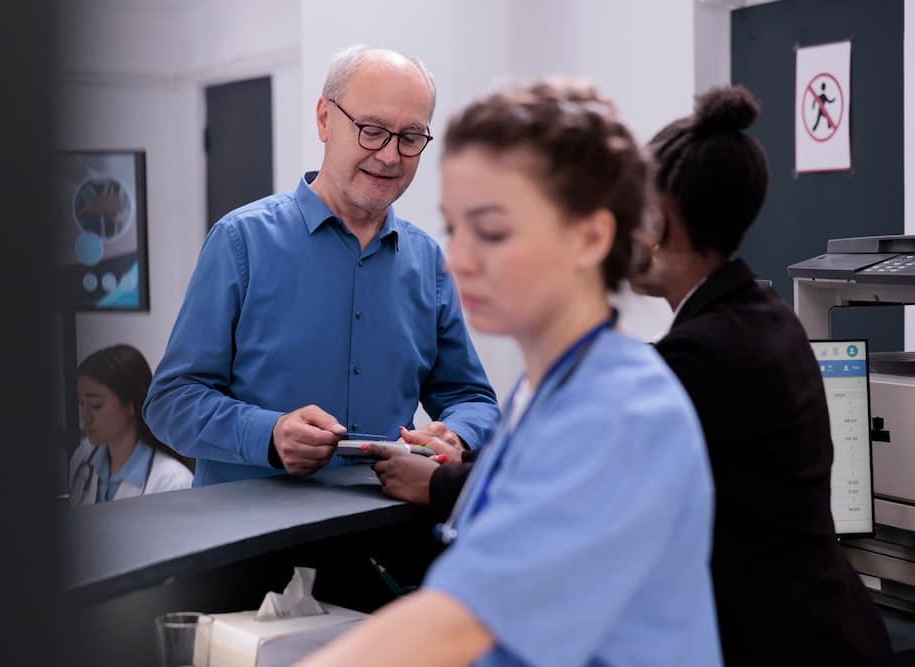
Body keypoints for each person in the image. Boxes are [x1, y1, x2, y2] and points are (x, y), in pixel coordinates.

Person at [301, 78, 721, 667]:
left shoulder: (625, 413)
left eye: (493, 231)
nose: (460, 259)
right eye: (455, 229)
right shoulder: (544, 390)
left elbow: (457, 623)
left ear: (591, 236)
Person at [143, 45, 499, 486]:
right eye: (371, 130)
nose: (389, 156)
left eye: (410, 138)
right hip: (249, 541)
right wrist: (267, 435)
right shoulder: (241, 242)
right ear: (324, 119)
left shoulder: (429, 264)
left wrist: (457, 433)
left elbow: (473, 398)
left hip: (380, 534)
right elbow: (170, 403)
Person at [636, 85, 891, 666]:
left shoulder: (702, 353)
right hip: (832, 629)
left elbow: (579, 484)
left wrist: (443, 482)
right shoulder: (766, 317)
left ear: (657, 221)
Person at [69, 344, 193, 507]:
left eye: (96, 405)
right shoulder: (83, 457)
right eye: (81, 403)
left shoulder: (173, 481)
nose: (85, 417)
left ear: (131, 404)